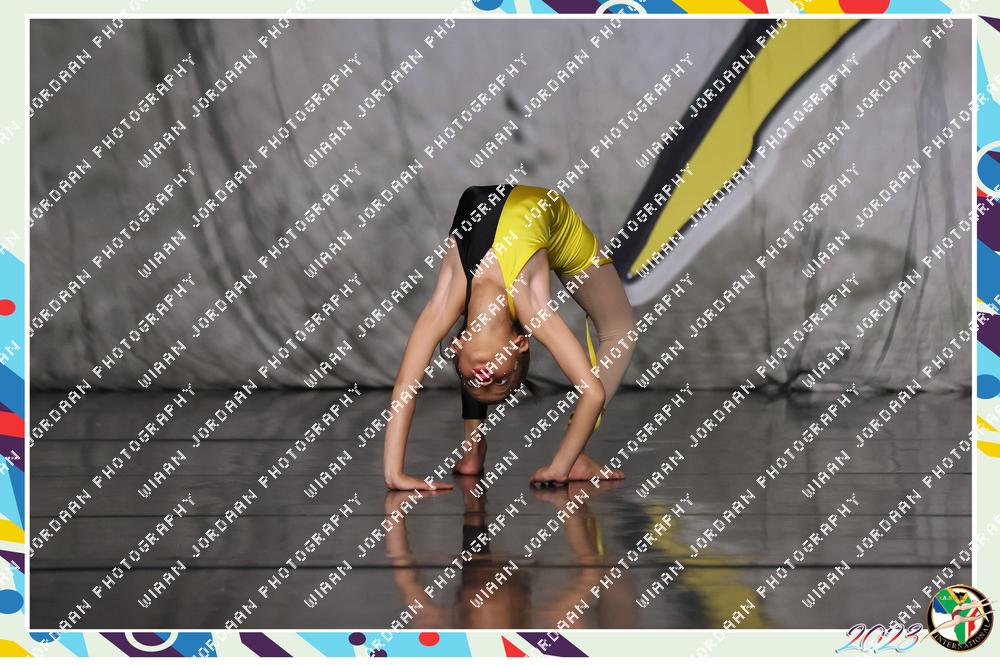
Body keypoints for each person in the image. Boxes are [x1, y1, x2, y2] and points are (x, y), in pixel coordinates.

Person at [382, 183, 635, 491]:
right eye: (501, 380)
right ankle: (574, 457)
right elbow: (592, 393)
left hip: (496, 212)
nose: (485, 378)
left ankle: (473, 448)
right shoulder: (534, 309)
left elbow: (405, 386)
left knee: (479, 338)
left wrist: (394, 473)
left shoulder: (445, 303)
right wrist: (559, 467)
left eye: (474, 381)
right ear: (520, 343)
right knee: (621, 331)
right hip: (560, 229)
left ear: (454, 346)